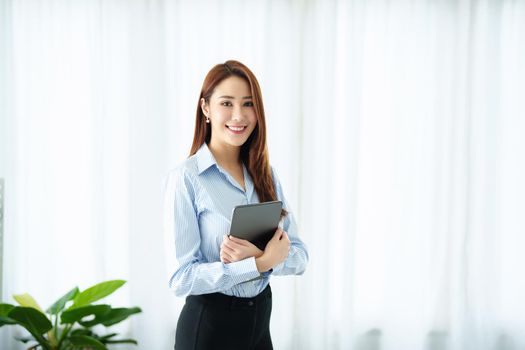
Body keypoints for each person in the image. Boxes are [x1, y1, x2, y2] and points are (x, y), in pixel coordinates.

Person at [164, 60, 309, 350]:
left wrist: (261, 257)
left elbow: (300, 257)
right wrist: (260, 263)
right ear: (206, 108)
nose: (239, 116)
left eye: (248, 103)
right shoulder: (187, 178)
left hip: (259, 324)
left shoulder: (266, 175)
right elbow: (181, 279)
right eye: (226, 103)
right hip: (210, 328)